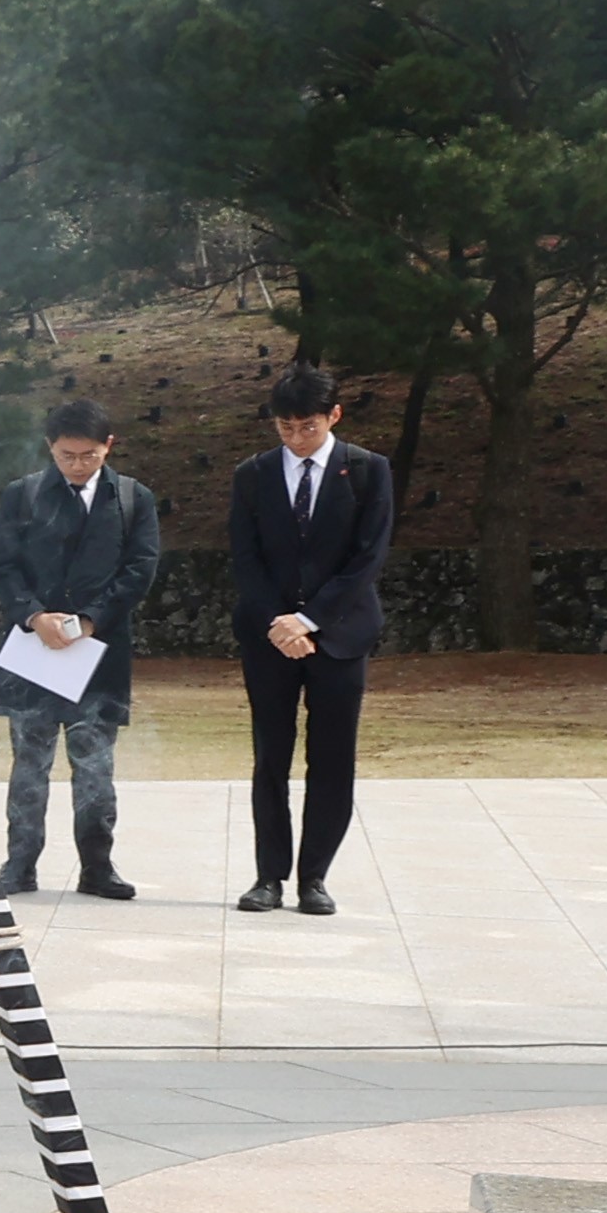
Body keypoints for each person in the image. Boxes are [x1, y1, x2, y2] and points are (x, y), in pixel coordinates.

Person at [226, 363, 392, 916]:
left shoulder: (368, 470)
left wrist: (311, 620)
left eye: (309, 427)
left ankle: (314, 877)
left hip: (340, 635)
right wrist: (280, 620)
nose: (298, 438)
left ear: (334, 416)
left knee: (332, 757)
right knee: (270, 755)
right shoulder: (253, 474)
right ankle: (267, 876)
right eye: (286, 427)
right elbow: (246, 558)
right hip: (269, 636)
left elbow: (367, 558)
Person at [0, 399, 162, 900]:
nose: (78, 465)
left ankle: (98, 866)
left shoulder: (133, 498)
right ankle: (19, 864)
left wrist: (90, 620)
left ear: (109, 446)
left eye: (88, 455)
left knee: (95, 767)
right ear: (50, 449)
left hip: (98, 652)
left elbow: (140, 568)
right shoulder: (23, 495)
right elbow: (3, 564)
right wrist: (34, 615)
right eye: (67, 455)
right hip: (33, 649)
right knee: (29, 764)